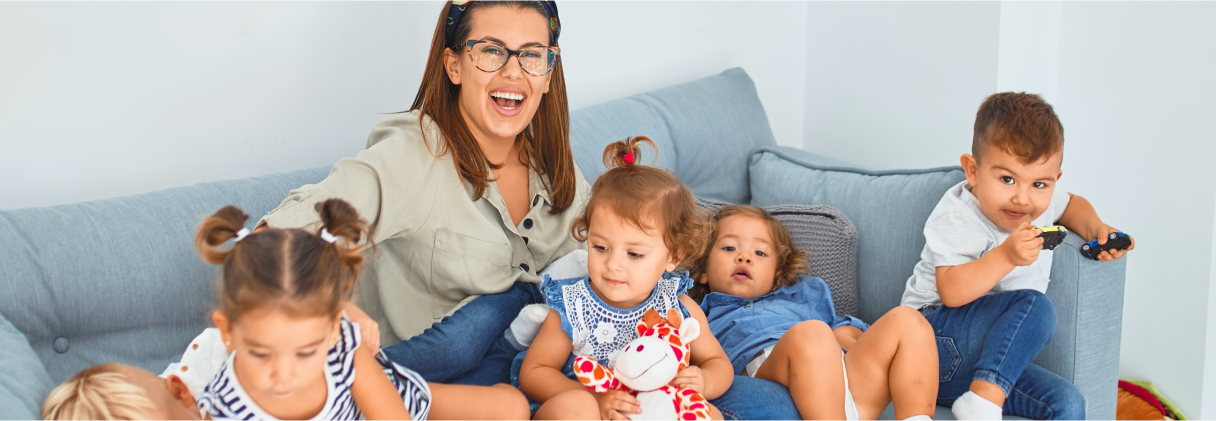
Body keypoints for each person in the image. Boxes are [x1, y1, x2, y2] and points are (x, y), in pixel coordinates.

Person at [256, 0, 587, 388]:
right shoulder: (414, 155)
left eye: (532, 55)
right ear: (454, 66)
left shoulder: (556, 169)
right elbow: (272, 241)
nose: (513, 70)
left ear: (547, 74)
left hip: (540, 384)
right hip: (419, 387)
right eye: (491, 51)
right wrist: (327, 312)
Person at [901, 92, 1134, 421]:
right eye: (1007, 179)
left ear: (1055, 181)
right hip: (927, 347)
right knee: (1034, 306)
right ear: (972, 170)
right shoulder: (958, 215)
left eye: (1039, 184)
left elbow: (1072, 205)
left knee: (1067, 402)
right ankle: (982, 403)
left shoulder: (1042, 200)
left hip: (985, 365)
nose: (1022, 199)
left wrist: (1097, 227)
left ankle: (984, 396)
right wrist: (1005, 256)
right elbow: (951, 292)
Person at [194, 199, 528, 420]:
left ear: (333, 330)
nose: (284, 375)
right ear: (227, 332)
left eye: (305, 353)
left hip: (397, 401)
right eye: (261, 354)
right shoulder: (224, 404)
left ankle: (512, 338)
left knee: (513, 409)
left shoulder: (343, 350)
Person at [518, 137, 733, 421]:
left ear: (673, 256)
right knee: (574, 410)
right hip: (592, 409)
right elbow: (534, 373)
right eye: (600, 247)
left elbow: (719, 363)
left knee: (711, 415)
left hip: (652, 411)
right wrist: (595, 399)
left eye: (634, 254)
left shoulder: (675, 308)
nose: (613, 265)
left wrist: (704, 381)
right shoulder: (573, 307)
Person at [688, 205, 938, 421]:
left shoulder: (805, 296)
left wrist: (845, 334)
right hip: (771, 378)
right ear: (703, 271)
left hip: (844, 381)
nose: (744, 257)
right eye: (729, 248)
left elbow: (842, 328)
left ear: (777, 275)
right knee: (811, 333)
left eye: (760, 253)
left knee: (907, 319)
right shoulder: (698, 313)